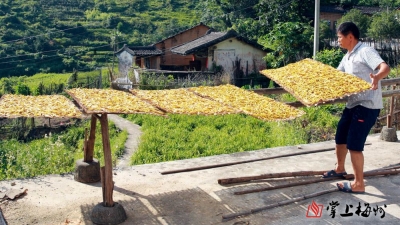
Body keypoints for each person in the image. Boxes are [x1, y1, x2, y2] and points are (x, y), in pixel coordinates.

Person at [322, 22, 390, 193]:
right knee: (341, 136)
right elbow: (336, 77)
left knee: (354, 144)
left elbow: (385, 67)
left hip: (367, 105)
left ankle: (359, 184)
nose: (338, 40)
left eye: (339, 37)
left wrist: (376, 77)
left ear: (350, 37)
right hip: (353, 103)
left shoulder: (365, 51)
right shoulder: (348, 56)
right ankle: (339, 169)